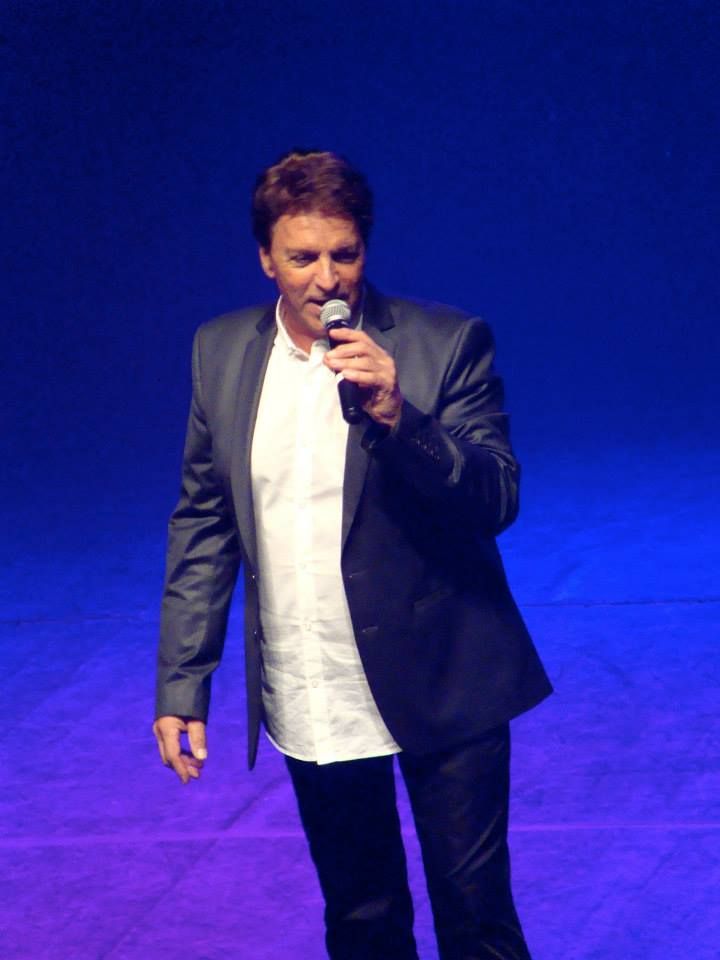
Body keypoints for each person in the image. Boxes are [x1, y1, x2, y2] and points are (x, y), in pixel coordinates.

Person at [153, 149, 552, 960]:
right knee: (361, 919)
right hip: (313, 686)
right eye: (303, 257)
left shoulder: (445, 343)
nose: (327, 278)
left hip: (445, 677)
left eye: (345, 254)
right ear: (266, 259)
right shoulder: (220, 352)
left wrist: (402, 417)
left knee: (476, 920)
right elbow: (204, 522)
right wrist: (182, 682)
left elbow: (495, 498)